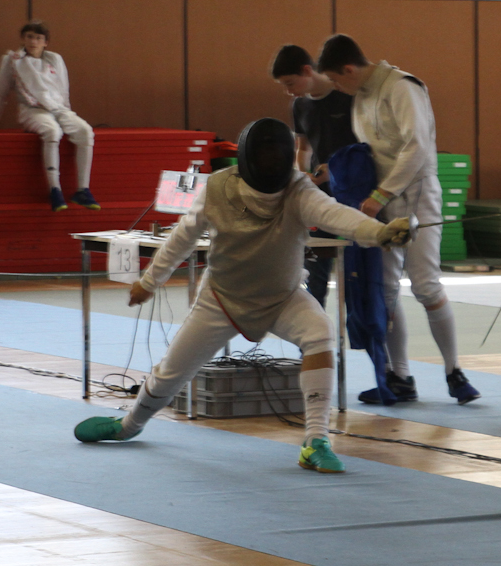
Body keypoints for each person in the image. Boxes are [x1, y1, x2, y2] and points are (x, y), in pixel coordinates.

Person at [72, 118, 414, 472]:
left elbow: (337, 215)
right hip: (221, 299)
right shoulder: (219, 188)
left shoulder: (298, 189)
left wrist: (380, 232)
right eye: (264, 154)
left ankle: (316, 440)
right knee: (171, 372)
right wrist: (149, 281)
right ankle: (129, 426)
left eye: (276, 154)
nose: (270, 161)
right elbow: (183, 237)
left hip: (282, 297)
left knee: (320, 333)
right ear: (249, 157)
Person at [315, 34, 479, 404]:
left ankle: (454, 371)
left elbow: (417, 146)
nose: (336, 87)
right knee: (384, 289)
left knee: (425, 285)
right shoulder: (362, 95)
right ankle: (399, 376)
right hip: (380, 198)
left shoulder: (402, 87)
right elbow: (371, 150)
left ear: (349, 69)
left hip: (415, 195)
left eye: (336, 80)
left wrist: (381, 195)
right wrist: (339, 172)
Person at [0, 21, 98, 213]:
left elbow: (63, 91)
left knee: (85, 131)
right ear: (23, 39)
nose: (33, 42)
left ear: (45, 42)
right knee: (52, 131)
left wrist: (67, 116)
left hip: (58, 108)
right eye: (30, 37)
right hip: (31, 110)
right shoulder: (12, 60)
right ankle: (55, 190)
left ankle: (83, 190)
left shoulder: (55, 59)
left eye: (38, 38)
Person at [273, 43, 359, 306]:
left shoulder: (348, 97)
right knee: (316, 269)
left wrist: (334, 171)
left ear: (307, 70)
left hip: (355, 191)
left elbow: (367, 148)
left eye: (290, 83)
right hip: (320, 194)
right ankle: (313, 325)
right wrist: (303, 177)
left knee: (357, 270)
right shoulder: (300, 105)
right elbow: (303, 148)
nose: (288, 91)